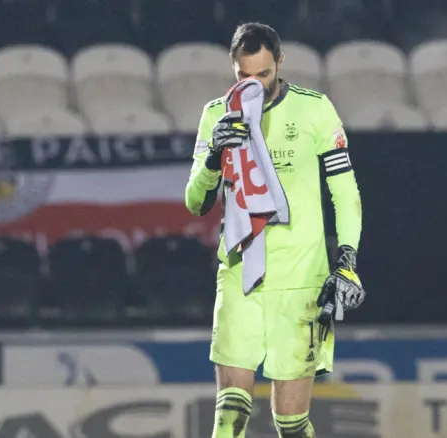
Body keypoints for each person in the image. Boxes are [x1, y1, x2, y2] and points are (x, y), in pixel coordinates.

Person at [184, 22, 365, 438]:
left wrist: (348, 261)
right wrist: (214, 157)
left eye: (263, 75)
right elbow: (196, 202)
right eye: (243, 77)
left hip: (303, 278)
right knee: (229, 414)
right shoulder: (216, 115)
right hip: (239, 274)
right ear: (233, 69)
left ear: (280, 63)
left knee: (291, 423)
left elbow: (345, 191)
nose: (254, 86)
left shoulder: (314, 108)